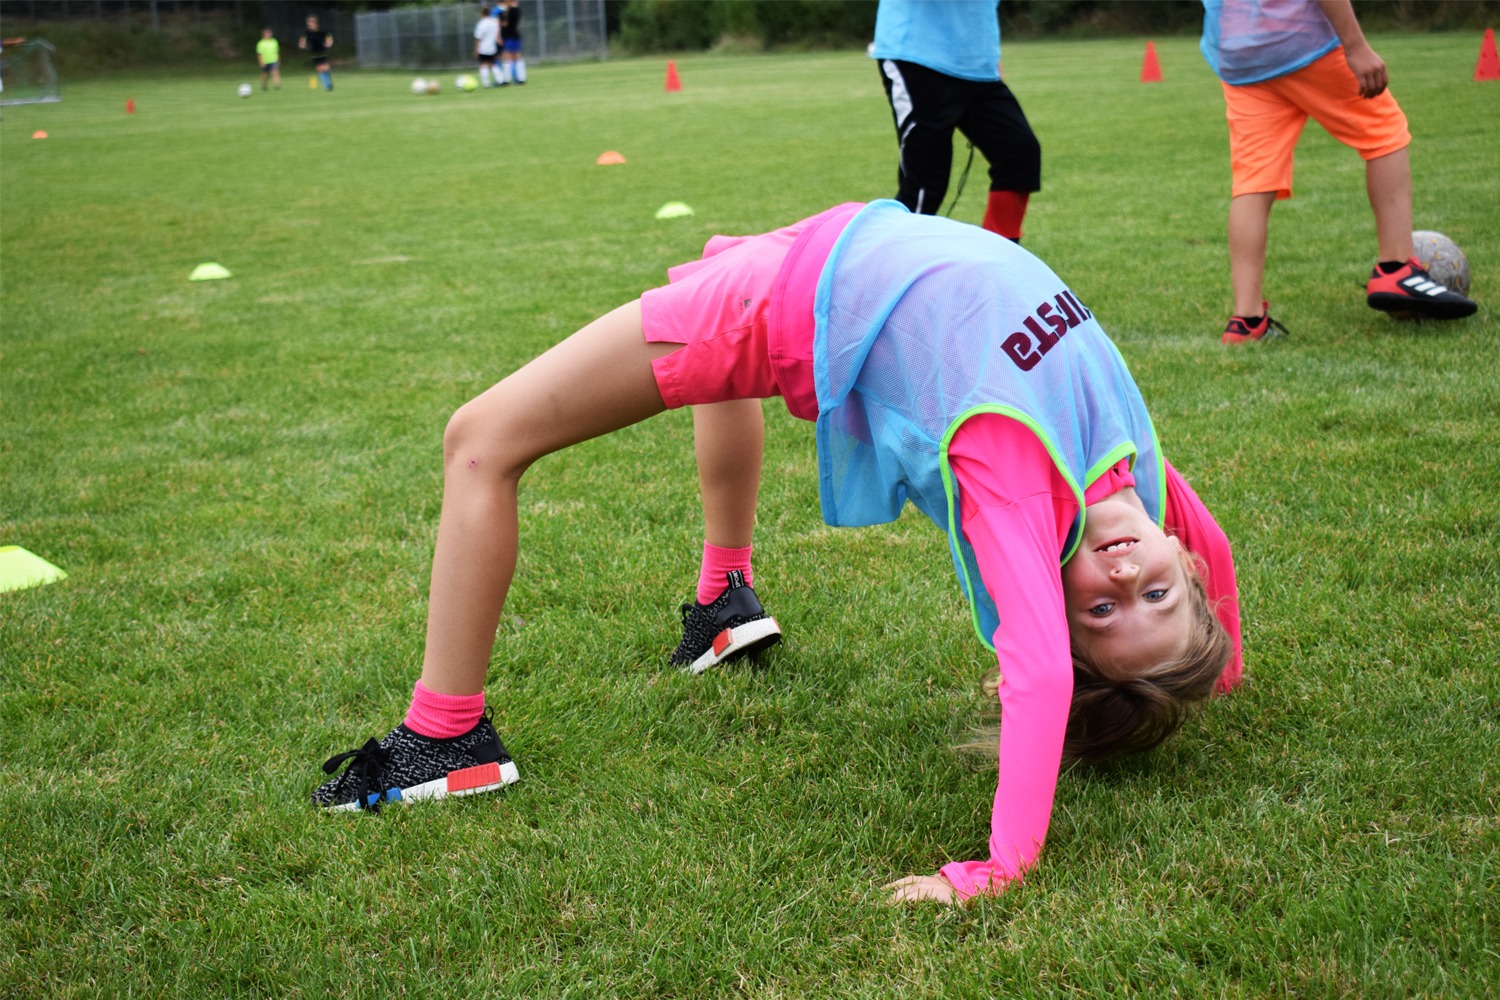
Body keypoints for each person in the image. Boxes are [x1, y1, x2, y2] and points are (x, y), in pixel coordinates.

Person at [311, 200, 1243, 904]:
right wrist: (1219, 663)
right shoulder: (1130, 471)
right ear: (1183, 567)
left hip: (803, 294)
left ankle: (443, 739)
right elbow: (1216, 544)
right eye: (1158, 594)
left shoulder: (1016, 474)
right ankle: (727, 600)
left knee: (481, 440)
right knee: (707, 292)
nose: (1125, 576)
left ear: (1051, 588)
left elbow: (1038, 674)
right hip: (843, 243)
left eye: (1103, 611)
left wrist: (1001, 868)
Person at [1200, 0, 1477, 344]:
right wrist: (1356, 46)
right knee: (1384, 132)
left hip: (1238, 50)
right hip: (1300, 41)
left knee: (1253, 181)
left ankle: (1247, 320)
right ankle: (1396, 266)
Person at [869, 0, 1040, 242]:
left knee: (1019, 154)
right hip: (918, 56)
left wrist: (990, 55)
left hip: (977, 66)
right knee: (925, 185)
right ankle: (885, 268)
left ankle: (998, 258)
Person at [299, 14, 334, 93]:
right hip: (314, 53)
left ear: (315, 23)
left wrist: (329, 43)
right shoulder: (306, 33)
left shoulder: (323, 31)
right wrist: (302, 45)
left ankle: (328, 83)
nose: (309, 25)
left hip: (323, 51)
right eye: (308, 23)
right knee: (320, 69)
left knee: (326, 68)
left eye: (311, 23)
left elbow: (330, 39)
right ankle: (327, 86)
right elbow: (301, 42)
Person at [473, 5, 501, 88]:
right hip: (492, 47)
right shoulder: (494, 22)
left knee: (484, 65)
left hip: (483, 48)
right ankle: (500, 80)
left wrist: (476, 49)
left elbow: (478, 38)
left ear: (481, 14)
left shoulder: (481, 24)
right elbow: (498, 31)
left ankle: (486, 83)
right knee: (494, 64)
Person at [499, 0, 526, 85]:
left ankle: (507, 80)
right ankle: (521, 78)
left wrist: (504, 15)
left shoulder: (511, 11)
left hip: (510, 36)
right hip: (514, 35)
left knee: (508, 57)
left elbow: (505, 24)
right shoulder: (517, 10)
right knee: (516, 57)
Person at [256, 27, 281, 92]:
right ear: (263, 34)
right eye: (267, 33)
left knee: (275, 72)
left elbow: (277, 52)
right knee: (266, 75)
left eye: (270, 33)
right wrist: (261, 62)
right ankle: (264, 85)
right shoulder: (260, 43)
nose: (269, 34)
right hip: (265, 61)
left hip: (273, 60)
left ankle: (277, 86)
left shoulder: (274, 41)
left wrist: (278, 60)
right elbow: (259, 54)